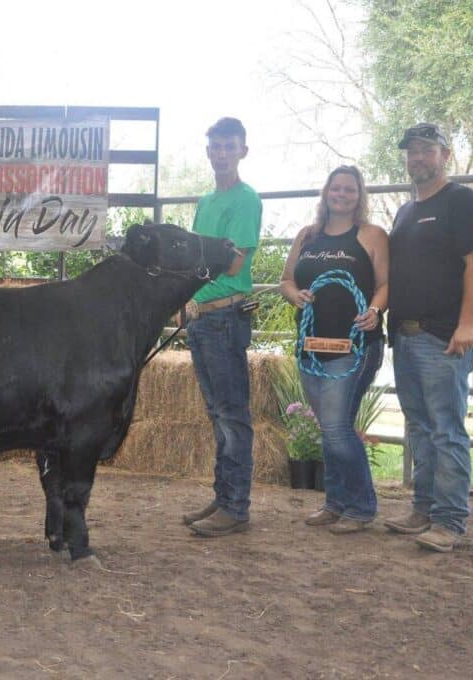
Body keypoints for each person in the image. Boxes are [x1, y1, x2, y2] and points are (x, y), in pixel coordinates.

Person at [382, 123, 473, 553]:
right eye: (412, 151)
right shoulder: (406, 211)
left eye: (427, 149)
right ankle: (423, 508)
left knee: (446, 429)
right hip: (406, 337)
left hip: (444, 336)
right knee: (420, 428)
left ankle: (449, 519)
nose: (418, 158)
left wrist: (469, 324)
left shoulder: (463, 202)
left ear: (445, 155)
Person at [280, 166, 389, 534]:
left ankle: (360, 507)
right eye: (336, 188)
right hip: (312, 347)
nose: (342, 195)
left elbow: (385, 284)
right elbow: (286, 280)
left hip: (355, 346)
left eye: (350, 190)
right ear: (326, 193)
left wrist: (374, 311)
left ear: (360, 196)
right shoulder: (307, 236)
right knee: (329, 428)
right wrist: (296, 295)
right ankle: (336, 502)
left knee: (337, 428)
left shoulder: (371, 235)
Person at [181, 117, 262, 537]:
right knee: (218, 413)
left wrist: (195, 296)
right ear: (209, 151)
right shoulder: (206, 201)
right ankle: (224, 496)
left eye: (229, 146)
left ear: (242, 151)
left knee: (231, 415)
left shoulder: (245, 200)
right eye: (215, 147)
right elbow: (198, 259)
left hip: (224, 316)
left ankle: (235, 506)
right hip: (204, 316)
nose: (222, 154)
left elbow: (234, 263)